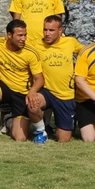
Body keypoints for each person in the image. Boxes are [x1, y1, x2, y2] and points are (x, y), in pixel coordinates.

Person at [0, 19, 46, 144]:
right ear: (9, 35)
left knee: (20, 138)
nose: (23, 39)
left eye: (25, 35)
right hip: (4, 89)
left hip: (22, 94)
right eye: (20, 35)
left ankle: (8, 120)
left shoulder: (30, 52)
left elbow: (40, 79)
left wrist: (32, 91)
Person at [34, 15, 85, 143]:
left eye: (51, 30)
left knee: (63, 139)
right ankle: (41, 132)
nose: (47, 33)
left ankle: (71, 121)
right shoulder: (36, 44)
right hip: (46, 91)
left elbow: (88, 52)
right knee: (33, 103)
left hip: (65, 95)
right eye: (45, 30)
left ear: (60, 31)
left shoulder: (70, 42)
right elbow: (16, 41)